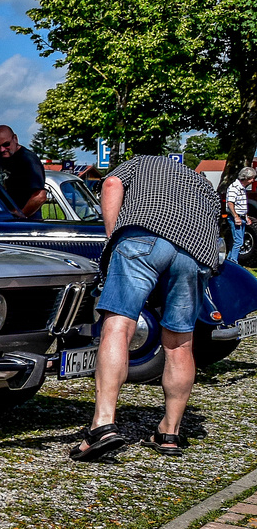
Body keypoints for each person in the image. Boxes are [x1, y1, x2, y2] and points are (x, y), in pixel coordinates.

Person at [73, 154, 223, 461]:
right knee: (180, 341)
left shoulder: (140, 162)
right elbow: (214, 223)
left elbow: (112, 183)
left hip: (145, 235)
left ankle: (102, 426)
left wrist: (114, 237)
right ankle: (169, 431)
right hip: (196, 249)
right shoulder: (201, 181)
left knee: (119, 324)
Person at [0, 125, 48, 217]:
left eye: (6, 144)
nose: (2, 149)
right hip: (6, 218)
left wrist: (21, 215)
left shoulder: (28, 160)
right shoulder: (2, 157)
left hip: (26, 224)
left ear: (15, 139)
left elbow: (40, 196)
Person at [227, 167, 255, 264]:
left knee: (239, 241)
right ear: (246, 177)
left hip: (241, 217)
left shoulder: (242, 188)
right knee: (238, 241)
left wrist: (246, 216)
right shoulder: (234, 187)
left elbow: (242, 204)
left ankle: (230, 260)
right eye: (252, 178)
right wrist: (236, 217)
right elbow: (230, 203)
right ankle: (233, 261)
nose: (253, 180)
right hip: (236, 218)